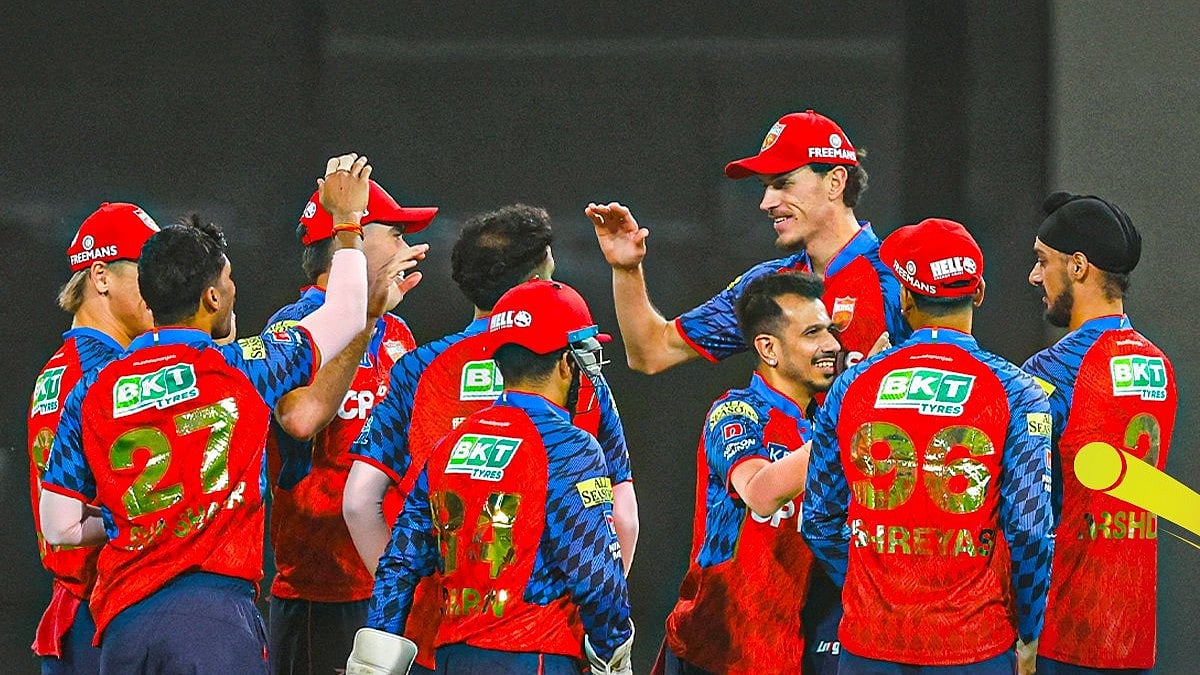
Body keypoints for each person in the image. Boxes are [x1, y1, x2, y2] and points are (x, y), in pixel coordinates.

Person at [38, 153, 416, 673]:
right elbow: (347, 315)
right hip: (213, 616)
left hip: (123, 619)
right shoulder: (239, 368)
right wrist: (347, 224)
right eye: (231, 279)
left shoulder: (93, 386)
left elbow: (58, 525)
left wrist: (139, 523)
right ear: (213, 295)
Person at [587, 108, 901, 671]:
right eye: (764, 187)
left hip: (855, 566)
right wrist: (626, 270)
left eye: (782, 183)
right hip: (765, 571)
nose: (766, 202)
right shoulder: (770, 289)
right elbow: (651, 351)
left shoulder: (899, 280)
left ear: (836, 180)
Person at [343, 205, 638, 671]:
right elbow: (621, 524)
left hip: (441, 636)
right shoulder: (582, 382)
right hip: (545, 642)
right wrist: (603, 637)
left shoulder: (421, 376)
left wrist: (417, 613)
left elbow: (360, 503)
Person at [801, 218, 1055, 675]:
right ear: (978, 293)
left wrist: (869, 584)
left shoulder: (849, 387)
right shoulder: (1018, 392)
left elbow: (819, 518)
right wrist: (1030, 629)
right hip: (974, 646)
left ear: (903, 296)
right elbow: (1030, 530)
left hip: (869, 645)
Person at [265, 179, 434, 675]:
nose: (408, 247)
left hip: (388, 583)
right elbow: (299, 421)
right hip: (321, 593)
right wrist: (364, 313)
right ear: (351, 239)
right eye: (396, 233)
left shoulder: (397, 331)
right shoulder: (293, 329)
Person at [1022, 192, 1175, 674]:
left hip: (1065, 634)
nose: (1034, 276)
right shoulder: (1159, 365)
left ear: (1079, 267)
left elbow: (1030, 509)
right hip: (1132, 636)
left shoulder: (1052, 371)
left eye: (1042, 261)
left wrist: (1023, 630)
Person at [660, 271, 840, 674]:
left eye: (830, 331)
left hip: (783, 653)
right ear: (768, 349)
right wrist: (846, 417)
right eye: (813, 333)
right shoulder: (737, 412)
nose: (831, 345)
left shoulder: (816, 426)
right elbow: (760, 491)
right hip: (715, 650)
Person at [27, 202, 159, 673]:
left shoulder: (58, 367)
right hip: (103, 609)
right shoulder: (109, 375)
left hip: (73, 609)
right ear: (101, 276)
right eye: (148, 269)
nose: (162, 284)